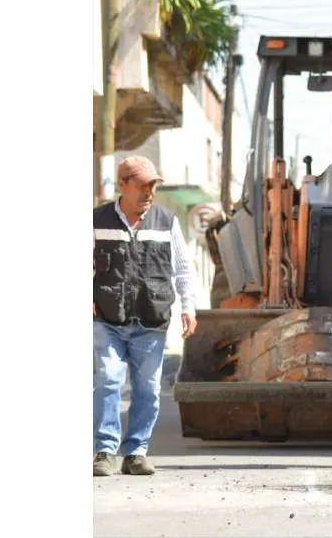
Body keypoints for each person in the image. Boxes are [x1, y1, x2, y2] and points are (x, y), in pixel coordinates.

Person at [92, 156, 198, 476]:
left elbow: (183, 268)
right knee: (108, 379)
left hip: (151, 319)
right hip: (108, 318)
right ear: (122, 185)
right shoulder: (97, 220)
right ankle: (104, 451)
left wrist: (189, 307)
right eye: (141, 185)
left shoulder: (166, 221)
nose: (149, 192)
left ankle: (136, 452)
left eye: (153, 185)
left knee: (148, 389)